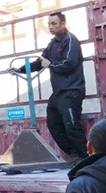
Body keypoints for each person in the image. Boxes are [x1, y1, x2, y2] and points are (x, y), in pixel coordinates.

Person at [12, 11, 87, 163]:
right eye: (49, 24)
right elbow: (40, 62)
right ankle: (73, 153)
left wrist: (51, 65)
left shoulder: (71, 40)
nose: (51, 27)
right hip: (58, 92)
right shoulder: (53, 43)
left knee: (72, 125)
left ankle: (84, 157)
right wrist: (20, 69)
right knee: (53, 124)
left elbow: (69, 63)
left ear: (63, 24)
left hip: (71, 90)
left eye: (54, 23)